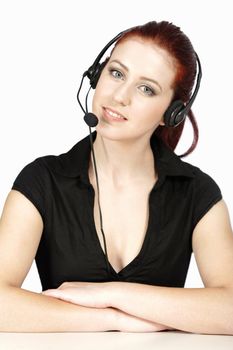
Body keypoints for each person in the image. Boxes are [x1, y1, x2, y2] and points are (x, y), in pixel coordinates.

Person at [0, 20, 233, 334]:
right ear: (97, 74)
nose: (120, 96)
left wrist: (110, 294)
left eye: (146, 88)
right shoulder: (42, 181)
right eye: (116, 73)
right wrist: (112, 319)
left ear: (172, 112)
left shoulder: (196, 192)